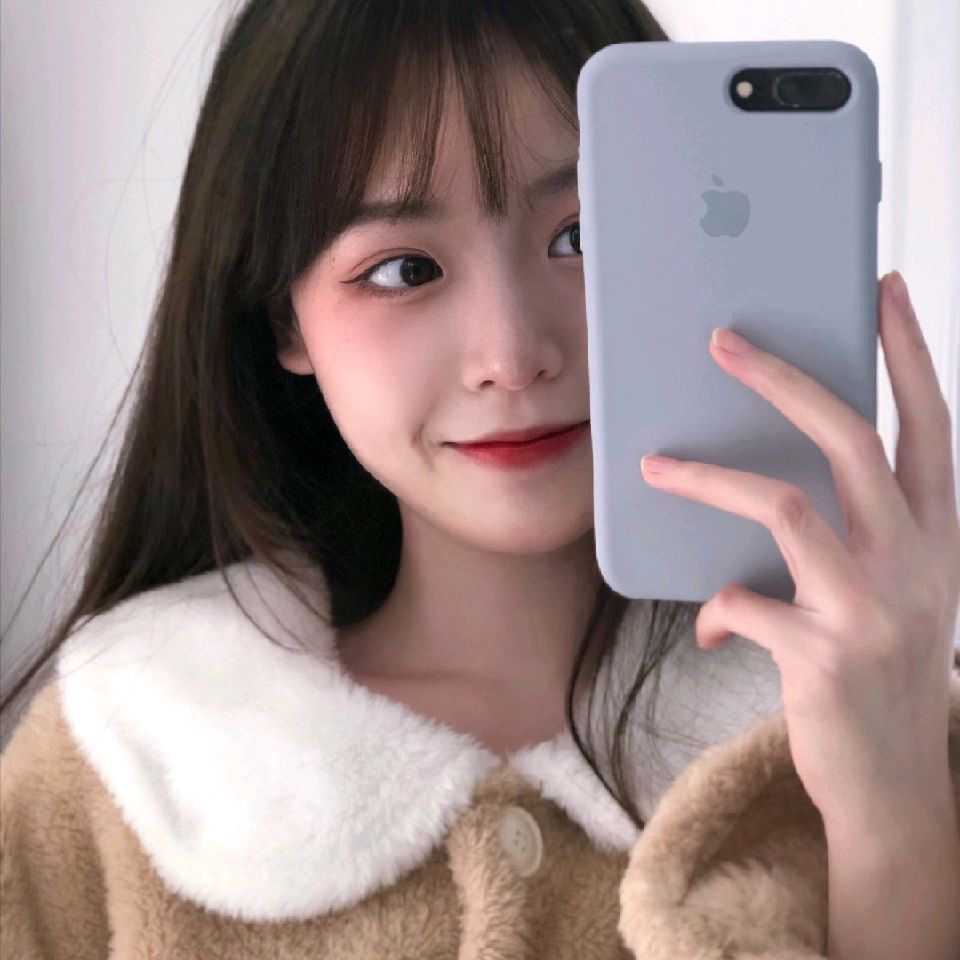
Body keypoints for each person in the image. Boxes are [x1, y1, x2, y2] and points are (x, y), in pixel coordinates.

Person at [2, 1, 959, 958]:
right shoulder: (121, 763)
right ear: (285, 320)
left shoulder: (880, 713)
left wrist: (895, 795)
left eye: (582, 237)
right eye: (403, 269)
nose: (511, 355)